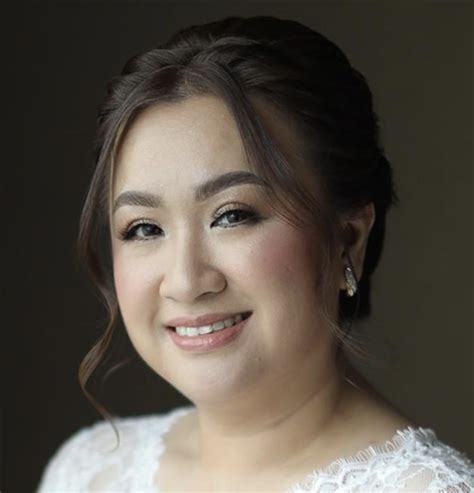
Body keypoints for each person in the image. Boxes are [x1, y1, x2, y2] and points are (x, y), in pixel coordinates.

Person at [37, 15, 473, 492]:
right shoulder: (90, 471)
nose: (186, 281)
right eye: (144, 228)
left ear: (347, 238)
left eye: (232, 216)